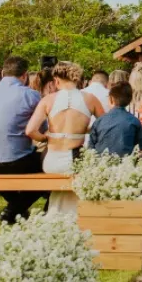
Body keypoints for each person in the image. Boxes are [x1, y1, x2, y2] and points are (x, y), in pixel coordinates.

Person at [0, 55, 46, 224]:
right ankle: (14, 209)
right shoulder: (30, 95)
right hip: (15, 160)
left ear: (2, 73)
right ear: (25, 75)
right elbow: (41, 129)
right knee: (50, 167)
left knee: (7, 165)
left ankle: (14, 208)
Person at [26, 61, 104, 215]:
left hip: (52, 161)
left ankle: (55, 215)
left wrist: (45, 139)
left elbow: (30, 130)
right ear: (77, 79)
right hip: (76, 160)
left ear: (56, 80)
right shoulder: (90, 99)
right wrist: (86, 130)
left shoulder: (48, 100)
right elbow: (105, 126)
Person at [87, 82, 142, 156]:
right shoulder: (134, 121)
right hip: (126, 163)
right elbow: (141, 147)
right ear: (130, 100)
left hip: (101, 163)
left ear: (111, 99)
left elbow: (91, 146)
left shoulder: (99, 121)